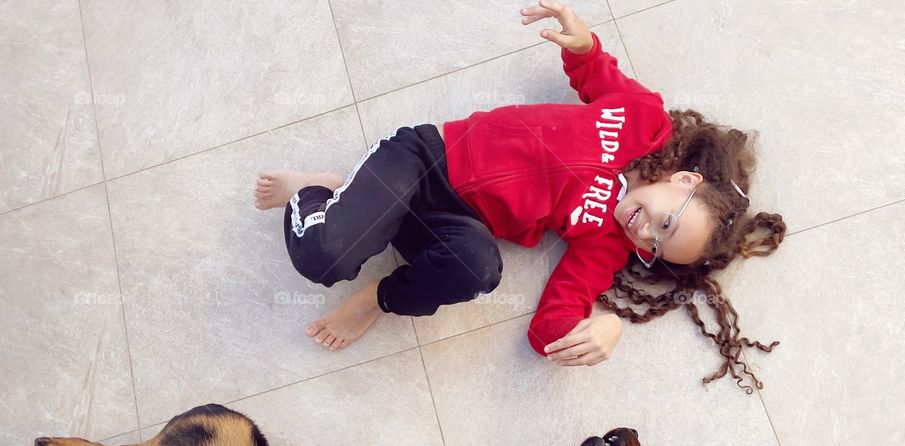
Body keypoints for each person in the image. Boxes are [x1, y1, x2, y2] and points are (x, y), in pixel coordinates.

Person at [254, 0, 785, 392]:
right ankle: (319, 191)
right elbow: (598, 77)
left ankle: (376, 292)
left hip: (453, 223)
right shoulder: (643, 121)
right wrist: (584, 45)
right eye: (665, 223)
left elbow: (550, 325)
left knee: (479, 269)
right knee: (325, 257)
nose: (644, 233)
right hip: (427, 158)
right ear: (685, 182)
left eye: (655, 247)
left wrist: (604, 326)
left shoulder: (607, 243)